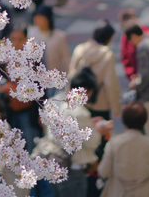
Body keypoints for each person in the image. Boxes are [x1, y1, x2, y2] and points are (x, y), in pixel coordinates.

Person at [34, 68, 112, 197]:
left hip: (54, 160)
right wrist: (98, 130)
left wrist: (90, 124)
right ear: (87, 91)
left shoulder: (55, 103)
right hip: (72, 167)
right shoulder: (80, 112)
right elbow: (92, 142)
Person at [98, 102, 149, 197]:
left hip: (118, 191)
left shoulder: (114, 144)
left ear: (124, 120)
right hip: (146, 192)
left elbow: (103, 172)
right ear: (144, 120)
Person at [0, 27, 41, 152]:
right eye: (13, 39)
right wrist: (4, 87)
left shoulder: (33, 60)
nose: (16, 43)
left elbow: (41, 86)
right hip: (9, 110)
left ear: (26, 40)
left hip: (28, 110)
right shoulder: (3, 59)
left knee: (30, 145)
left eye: (20, 39)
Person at [69, 20, 121, 121]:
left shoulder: (80, 49)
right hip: (100, 104)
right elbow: (110, 83)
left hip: (82, 101)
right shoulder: (107, 54)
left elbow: (72, 75)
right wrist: (116, 107)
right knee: (101, 129)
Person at [28, 5, 70, 75]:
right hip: (35, 76)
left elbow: (66, 59)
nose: (37, 20)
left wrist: (68, 75)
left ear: (47, 19)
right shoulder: (30, 34)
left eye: (40, 17)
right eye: (36, 17)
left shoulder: (59, 36)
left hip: (53, 75)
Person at [118, 9, 149, 81]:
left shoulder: (148, 33)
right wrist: (132, 75)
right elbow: (125, 59)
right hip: (136, 77)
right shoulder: (125, 38)